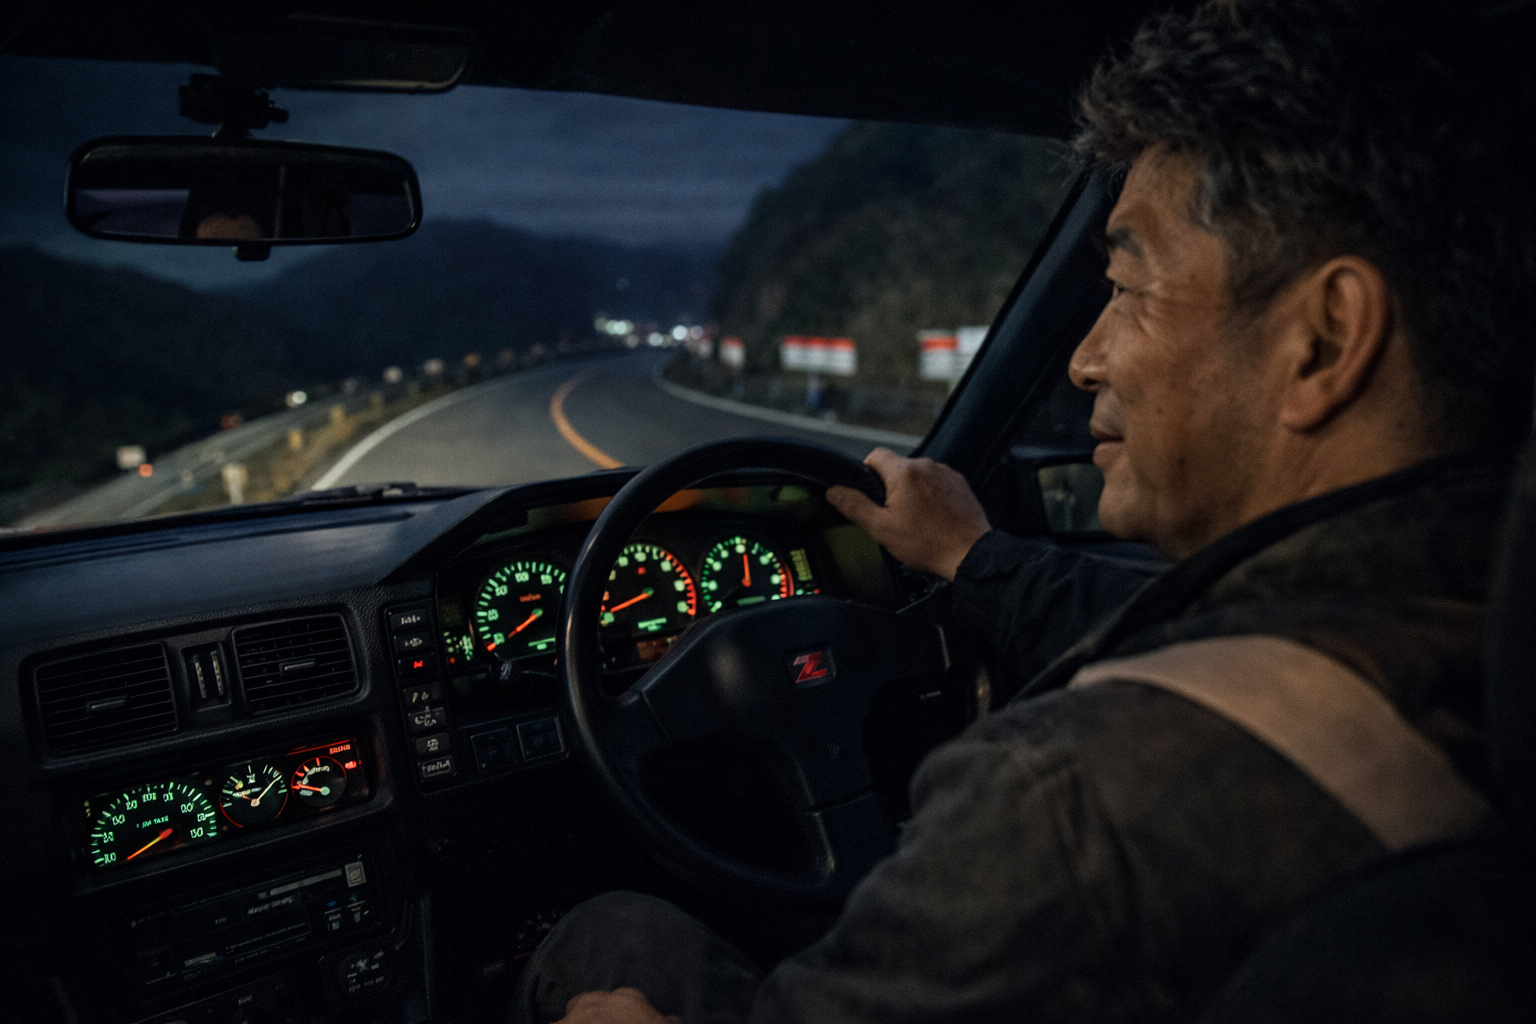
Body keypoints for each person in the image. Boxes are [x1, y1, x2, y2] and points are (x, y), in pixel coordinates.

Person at [517, 1, 1536, 1020]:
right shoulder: (1475, 595)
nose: (1086, 356)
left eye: (1128, 286)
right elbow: (1140, 609)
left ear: (1321, 340)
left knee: (612, 933)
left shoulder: (1065, 805)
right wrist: (971, 556)